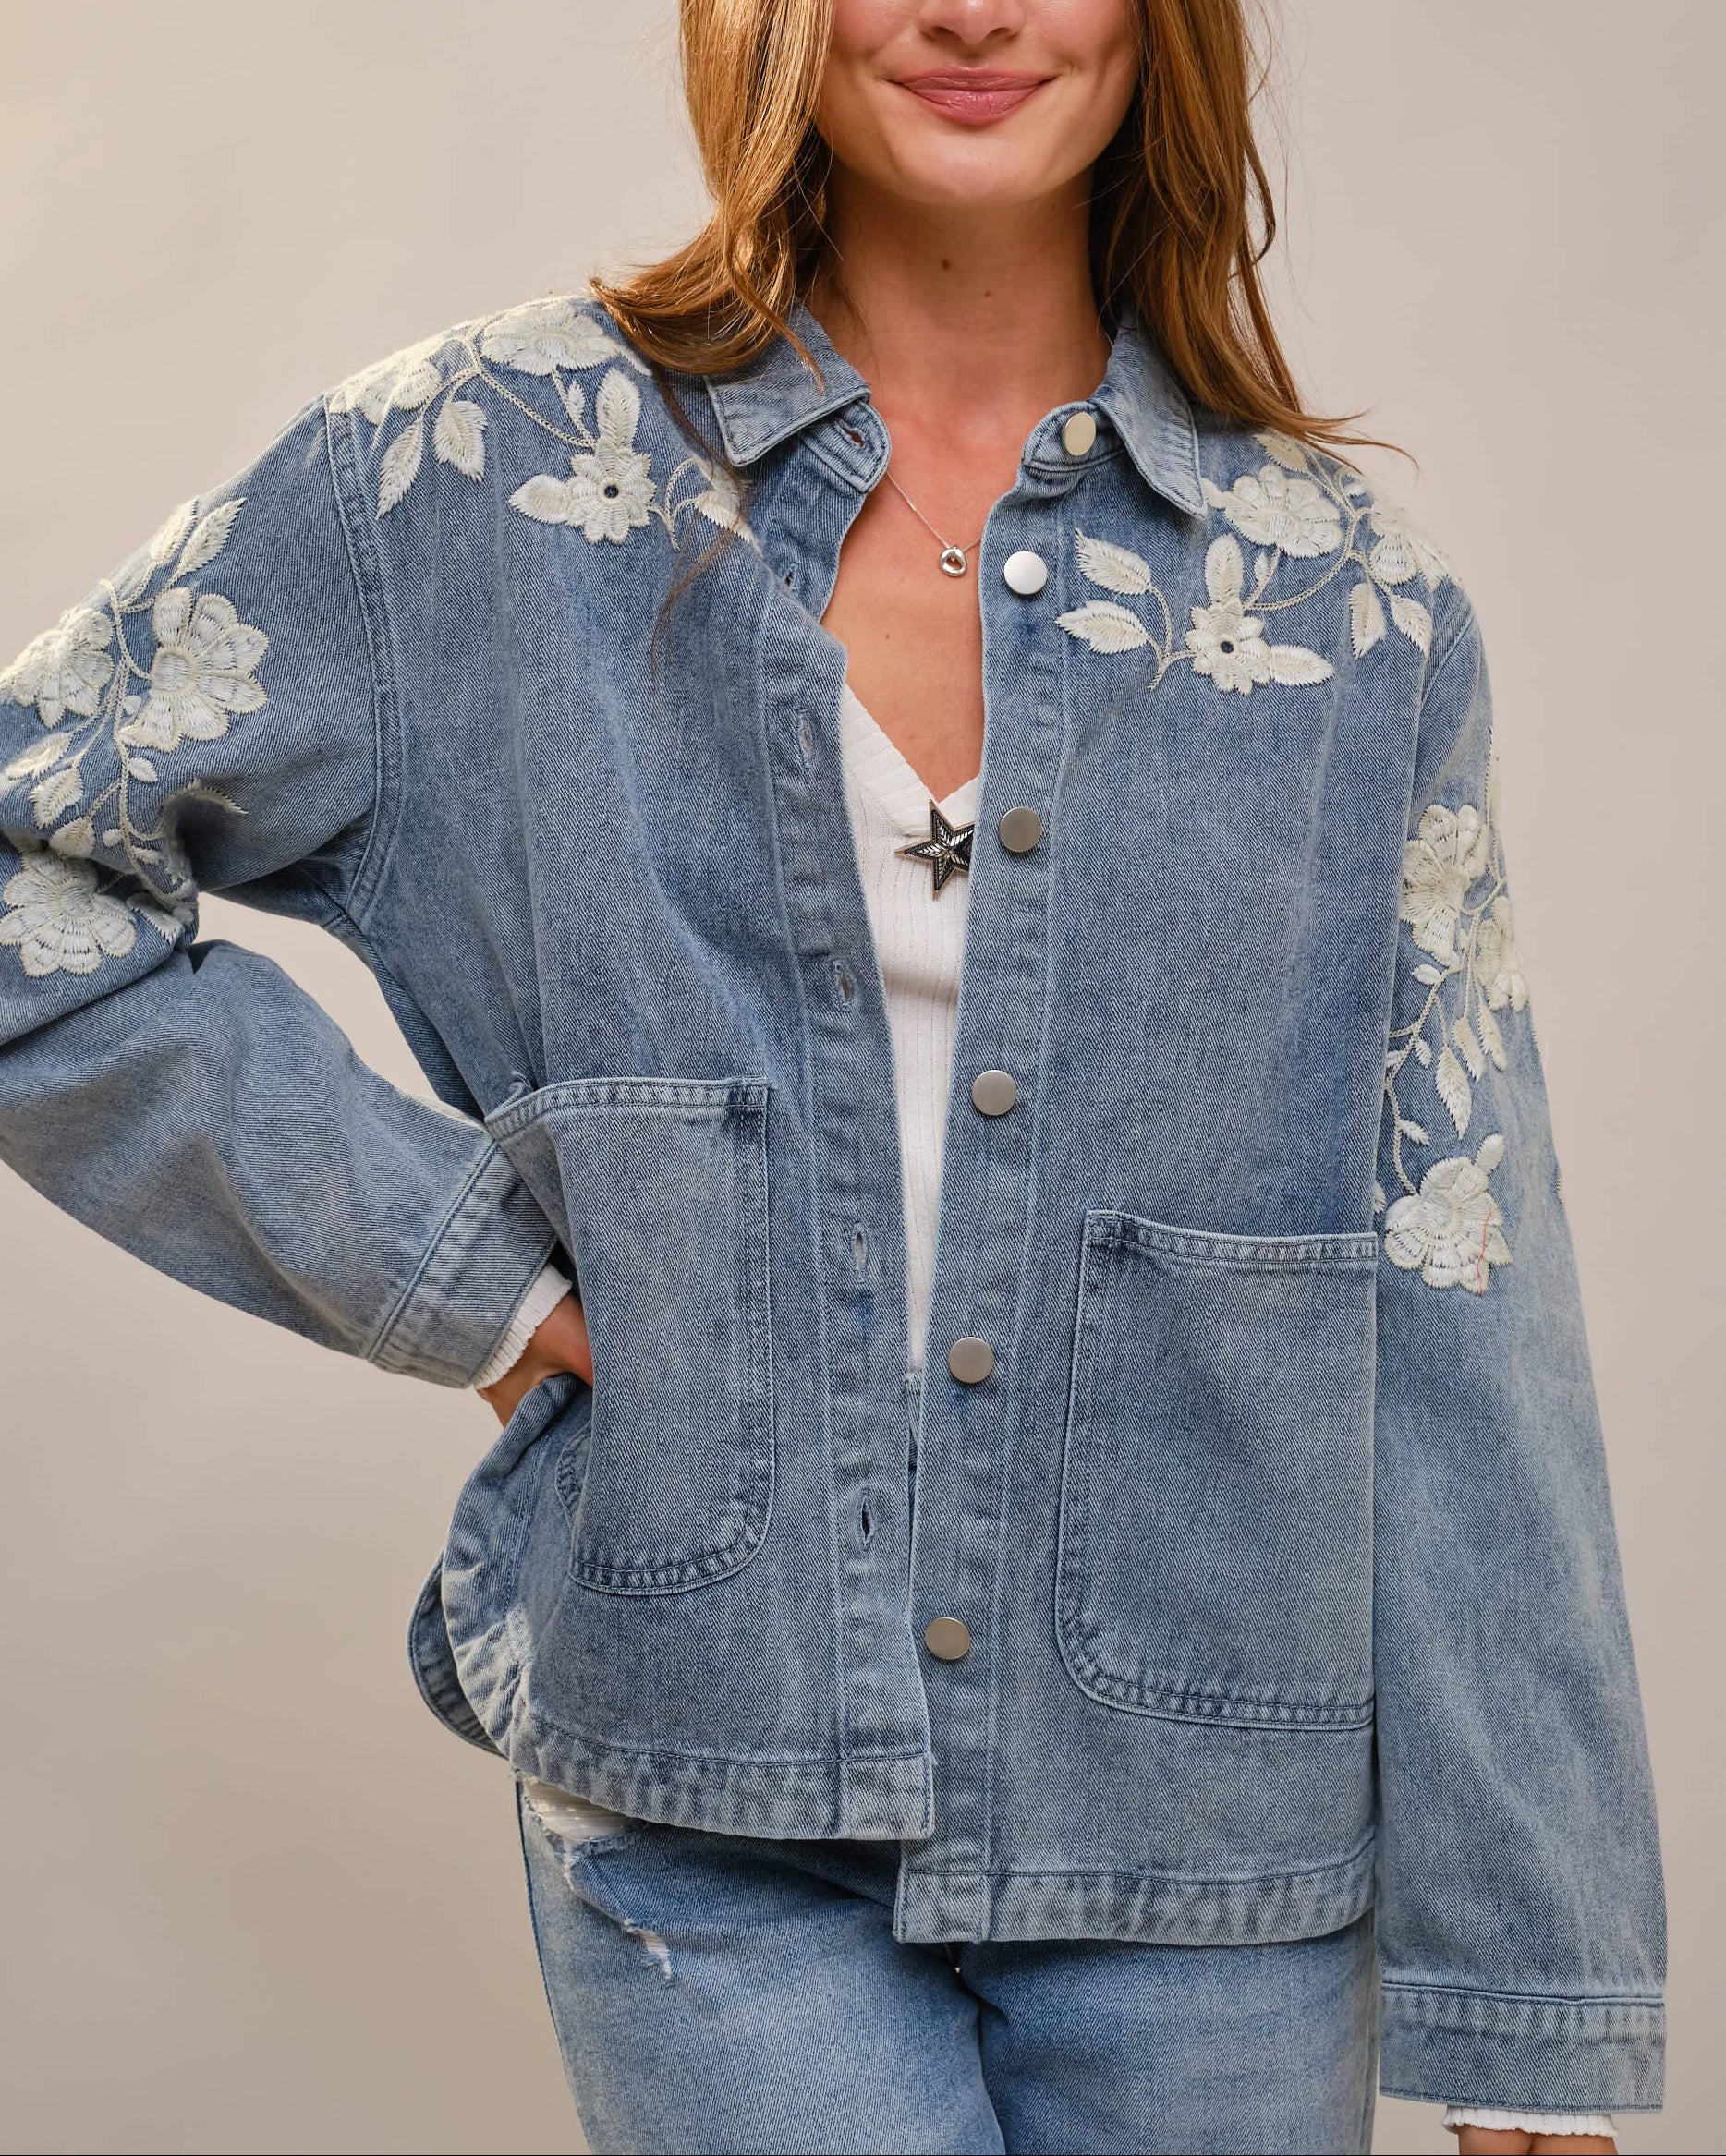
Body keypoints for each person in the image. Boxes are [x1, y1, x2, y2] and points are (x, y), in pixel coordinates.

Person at [0, 2, 1663, 2151]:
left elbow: (1466, 1281)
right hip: (708, 1785)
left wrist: (1532, 1984)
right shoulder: (481, 477)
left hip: (1217, 1840)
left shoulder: (1348, 609)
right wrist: (459, 1273)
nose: (973, 13)